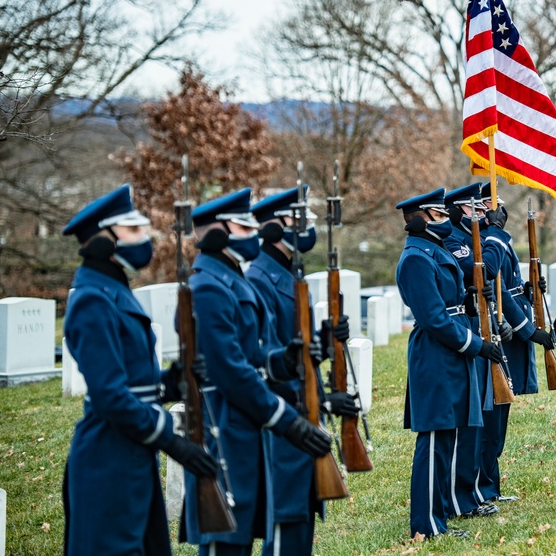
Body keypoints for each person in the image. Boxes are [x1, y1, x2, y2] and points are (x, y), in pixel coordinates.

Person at [62, 184, 218, 556]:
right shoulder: (91, 301)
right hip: (108, 461)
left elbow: (135, 384)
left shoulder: (113, 290)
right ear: (102, 240)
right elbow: (111, 397)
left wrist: (171, 382)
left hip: (133, 456)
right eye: (133, 230)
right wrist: (174, 441)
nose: (144, 237)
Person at [184, 188, 334, 556]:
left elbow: (253, 355)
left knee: (242, 535)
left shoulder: (229, 279)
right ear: (218, 231)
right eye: (244, 224)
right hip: (227, 425)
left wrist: (285, 359)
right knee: (227, 542)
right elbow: (231, 371)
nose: (254, 231)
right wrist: (285, 418)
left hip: (247, 427)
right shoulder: (207, 285)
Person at [245, 186, 358, 556]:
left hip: (301, 408)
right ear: (273, 228)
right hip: (285, 416)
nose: (306, 227)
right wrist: (324, 401)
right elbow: (272, 362)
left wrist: (328, 341)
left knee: (300, 523)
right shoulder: (261, 279)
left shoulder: (288, 272)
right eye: (297, 219)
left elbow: (300, 352)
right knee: (287, 523)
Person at [394, 187, 503, 539]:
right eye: (438, 216)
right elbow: (433, 319)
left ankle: (438, 516)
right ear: (419, 219)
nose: (445, 221)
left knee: (449, 438)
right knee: (435, 438)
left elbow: (453, 300)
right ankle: (426, 526)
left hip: (450, 350)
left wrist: (475, 298)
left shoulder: (432, 250)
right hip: (436, 352)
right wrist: (476, 345)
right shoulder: (415, 258)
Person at [478, 181, 554, 502]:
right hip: (504, 333)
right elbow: (499, 296)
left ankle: (491, 488)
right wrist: (529, 330)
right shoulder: (485, 241)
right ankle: (484, 489)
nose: (497, 209)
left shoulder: (497, 240)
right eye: (488, 205)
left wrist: (528, 289)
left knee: (501, 416)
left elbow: (508, 287)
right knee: (491, 419)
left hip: (510, 333)